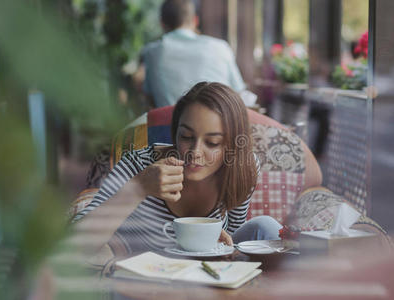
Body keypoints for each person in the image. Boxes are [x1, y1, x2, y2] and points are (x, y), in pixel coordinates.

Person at [73, 82, 281, 257]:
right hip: (151, 279)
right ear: (175, 134)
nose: (195, 152)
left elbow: (232, 237)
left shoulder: (241, 166)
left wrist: (215, 245)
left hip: (210, 270)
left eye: (212, 142)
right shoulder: (140, 165)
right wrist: (139, 187)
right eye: (186, 137)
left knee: (266, 227)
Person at [141, 0, 246, 107]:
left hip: (171, 123)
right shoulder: (221, 47)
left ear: (162, 24)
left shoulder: (152, 53)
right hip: (217, 121)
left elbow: (150, 97)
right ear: (195, 20)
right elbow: (238, 93)